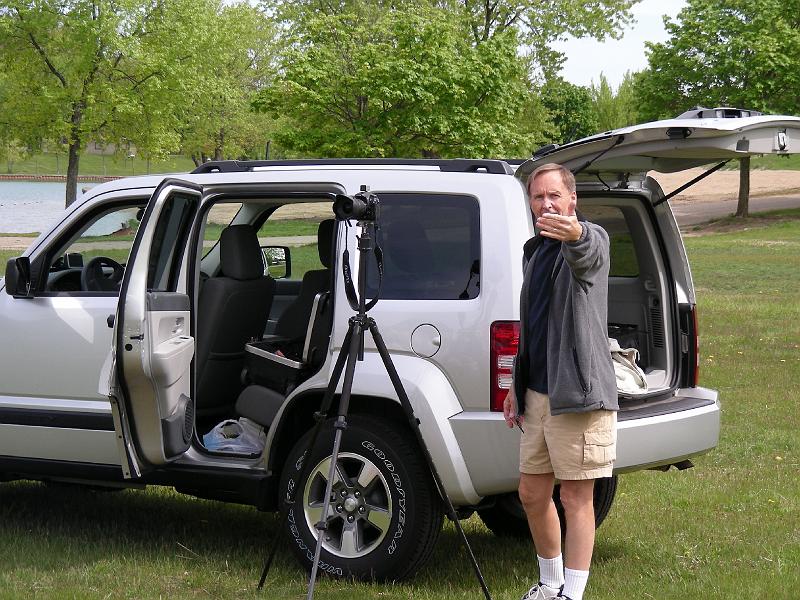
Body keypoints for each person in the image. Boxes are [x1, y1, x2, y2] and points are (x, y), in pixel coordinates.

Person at [503, 163, 618, 600]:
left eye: (554, 195)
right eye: (538, 197)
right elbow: (531, 324)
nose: (546, 203)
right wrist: (517, 382)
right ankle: (550, 586)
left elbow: (588, 252)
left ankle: (573, 594)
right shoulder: (534, 252)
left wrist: (576, 234)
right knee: (532, 493)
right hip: (537, 393)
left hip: (578, 393)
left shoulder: (591, 239)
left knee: (574, 497)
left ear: (573, 200)